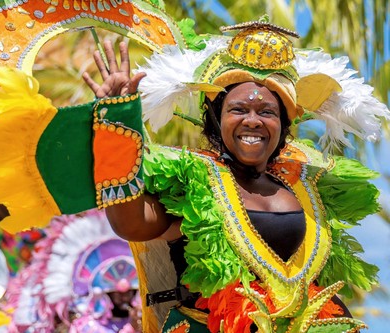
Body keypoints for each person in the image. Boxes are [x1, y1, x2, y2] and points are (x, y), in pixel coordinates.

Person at [78, 20, 388, 332]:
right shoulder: (191, 178)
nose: (253, 120)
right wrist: (114, 129)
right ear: (216, 119)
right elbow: (131, 223)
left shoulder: (310, 183)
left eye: (267, 112)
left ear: (283, 125)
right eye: (238, 110)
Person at [0, 210, 142, 333]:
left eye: (129, 292)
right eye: (118, 294)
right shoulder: (86, 326)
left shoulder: (141, 317)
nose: (125, 297)